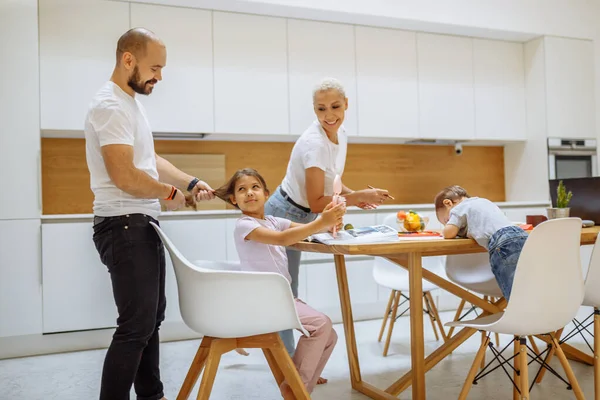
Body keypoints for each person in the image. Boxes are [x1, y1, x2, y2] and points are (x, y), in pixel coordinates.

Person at [84, 28, 215, 400]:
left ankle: (151, 396)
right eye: (154, 67)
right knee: (136, 325)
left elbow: (148, 160)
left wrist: (189, 183)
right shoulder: (109, 105)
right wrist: (167, 193)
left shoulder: (128, 104)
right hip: (124, 224)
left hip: (139, 223)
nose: (159, 76)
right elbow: (124, 175)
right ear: (129, 59)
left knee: (149, 321)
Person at [265, 77, 392, 358]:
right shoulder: (315, 144)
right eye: (321, 109)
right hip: (284, 212)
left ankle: (291, 359)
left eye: (335, 106)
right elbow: (317, 200)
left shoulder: (340, 133)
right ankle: (289, 363)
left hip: (306, 213)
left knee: (286, 289)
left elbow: (331, 184)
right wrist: (358, 196)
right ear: (314, 109)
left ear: (346, 104)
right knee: (286, 290)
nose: (329, 115)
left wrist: (356, 196)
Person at [214, 168, 342, 398]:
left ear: (266, 193)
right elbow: (284, 239)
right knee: (322, 325)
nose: (249, 193)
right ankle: (294, 388)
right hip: (266, 301)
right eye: (242, 190)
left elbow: (305, 231)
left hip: (279, 298)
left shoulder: (273, 220)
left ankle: (298, 382)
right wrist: (322, 220)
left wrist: (331, 221)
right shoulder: (245, 225)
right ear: (234, 199)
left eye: (255, 187)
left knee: (330, 335)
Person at [434, 185, 528, 300]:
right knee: (525, 283)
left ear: (448, 203)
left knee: (512, 291)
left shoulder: (458, 209)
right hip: (522, 236)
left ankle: (518, 315)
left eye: (446, 221)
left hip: (502, 243)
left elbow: (449, 233)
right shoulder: (484, 202)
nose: (448, 223)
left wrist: (446, 229)